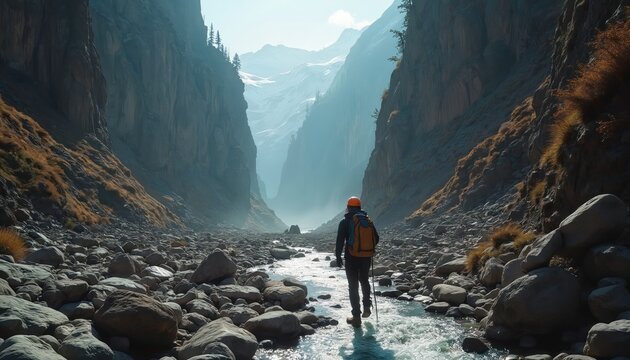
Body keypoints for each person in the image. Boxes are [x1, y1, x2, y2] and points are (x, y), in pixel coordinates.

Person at [336, 196, 379, 327]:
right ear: (359, 207)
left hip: (351, 258)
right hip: (366, 257)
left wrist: (338, 257)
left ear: (348, 207)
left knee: (353, 286)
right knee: (364, 280)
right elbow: (376, 238)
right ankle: (367, 306)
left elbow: (340, 241)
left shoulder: (345, 221)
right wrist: (365, 248)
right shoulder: (367, 220)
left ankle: (356, 317)